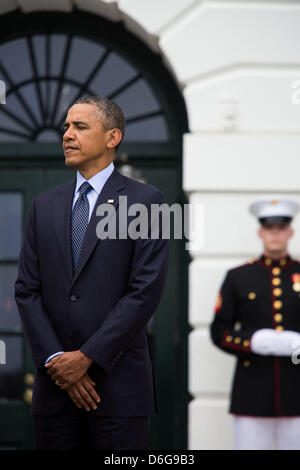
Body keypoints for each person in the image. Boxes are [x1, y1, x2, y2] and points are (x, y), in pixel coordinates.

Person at [14, 96, 169, 450]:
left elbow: (144, 292)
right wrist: (57, 362)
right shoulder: (43, 205)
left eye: (80, 126)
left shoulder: (147, 201)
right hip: (54, 394)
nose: (67, 135)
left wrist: (86, 359)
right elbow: (26, 290)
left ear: (112, 138)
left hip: (119, 392)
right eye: (66, 127)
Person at [210, 197, 300, 450]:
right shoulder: (238, 277)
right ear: (260, 232)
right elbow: (219, 331)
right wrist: (254, 342)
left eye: (280, 228)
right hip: (252, 393)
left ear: (290, 232)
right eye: (269, 228)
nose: (275, 234)